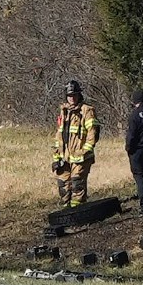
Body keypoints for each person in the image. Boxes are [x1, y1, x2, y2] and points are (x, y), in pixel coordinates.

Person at [51, 79, 98, 207]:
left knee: (77, 186)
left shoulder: (86, 111)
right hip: (64, 158)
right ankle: (67, 213)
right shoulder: (64, 111)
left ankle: (78, 214)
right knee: (63, 186)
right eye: (69, 95)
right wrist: (56, 158)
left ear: (79, 95)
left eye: (74, 95)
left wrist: (83, 151)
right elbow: (59, 136)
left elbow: (92, 135)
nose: (72, 98)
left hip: (80, 158)